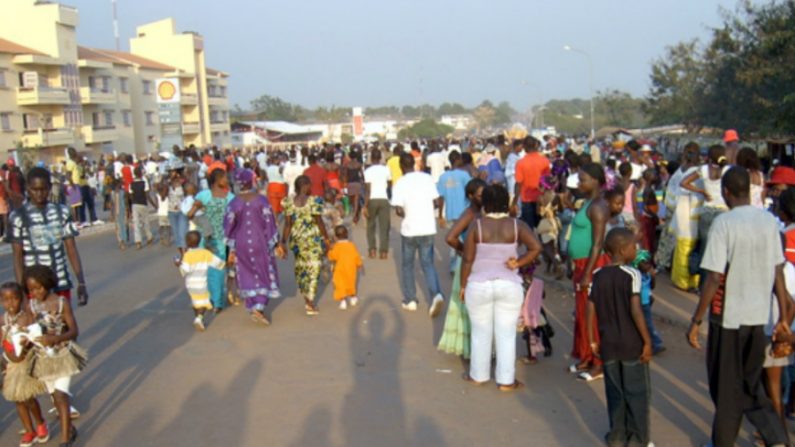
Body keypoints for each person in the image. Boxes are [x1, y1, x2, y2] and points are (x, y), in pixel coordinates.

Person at [686, 166, 791, 447]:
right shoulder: (769, 222)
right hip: (758, 318)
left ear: (726, 192)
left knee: (726, 387)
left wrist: (696, 321)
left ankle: (723, 441)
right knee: (750, 382)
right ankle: (776, 437)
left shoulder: (724, 223)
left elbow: (713, 278)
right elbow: (778, 272)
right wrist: (782, 315)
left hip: (728, 318)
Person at [460, 184, 542, 390]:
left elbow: (468, 260)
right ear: (506, 202)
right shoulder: (517, 225)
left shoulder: (476, 226)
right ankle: (506, 381)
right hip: (508, 284)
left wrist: (463, 285)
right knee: (506, 334)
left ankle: (478, 375)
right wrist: (519, 262)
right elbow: (536, 247)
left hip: (478, 285)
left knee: (480, 332)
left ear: (485, 203)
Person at [586, 227, 653, 447]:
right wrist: (647, 340)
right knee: (636, 392)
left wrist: (592, 340)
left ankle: (616, 436)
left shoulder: (597, 275)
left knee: (615, 391)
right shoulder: (631, 274)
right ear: (623, 250)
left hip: (608, 345)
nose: (636, 249)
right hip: (631, 344)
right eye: (634, 246)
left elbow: (590, 309)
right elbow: (635, 310)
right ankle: (638, 439)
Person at [6, 168, 89, 307]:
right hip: (33, 288)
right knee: (38, 328)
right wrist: (22, 291)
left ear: (50, 187)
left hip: (60, 282)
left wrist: (81, 282)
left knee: (64, 325)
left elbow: (71, 249)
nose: (39, 194)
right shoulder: (18, 217)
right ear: (27, 188)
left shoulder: (61, 212)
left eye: (43, 189)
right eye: (34, 189)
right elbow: (17, 257)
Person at [25, 265, 87, 447]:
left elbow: (74, 330)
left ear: (48, 284)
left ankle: (65, 440)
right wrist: (25, 340)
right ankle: (69, 429)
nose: (35, 292)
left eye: (38, 288)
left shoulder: (61, 303)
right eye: (30, 290)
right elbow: (30, 329)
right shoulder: (31, 305)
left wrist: (56, 338)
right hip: (43, 358)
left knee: (61, 395)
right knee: (54, 395)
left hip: (63, 354)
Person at [224, 169, 283, 325]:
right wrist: (276, 243)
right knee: (263, 271)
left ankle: (252, 306)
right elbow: (270, 223)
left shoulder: (234, 203)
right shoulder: (262, 200)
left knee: (246, 273)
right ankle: (259, 307)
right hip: (260, 242)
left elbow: (229, 227)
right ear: (252, 181)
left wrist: (231, 249)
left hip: (241, 243)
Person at [569, 163, 610, 382]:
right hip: (580, 264)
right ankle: (585, 355)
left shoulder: (598, 206)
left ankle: (598, 362)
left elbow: (598, 243)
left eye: (582, 179)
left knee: (592, 315)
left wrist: (588, 272)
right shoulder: (587, 203)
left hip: (591, 264)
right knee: (581, 312)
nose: (579, 183)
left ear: (595, 180)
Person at [391, 152, 444, 317]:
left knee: (407, 265)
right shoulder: (426, 178)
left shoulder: (400, 183)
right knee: (427, 264)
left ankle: (410, 300)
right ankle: (436, 294)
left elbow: (398, 209)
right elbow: (437, 200)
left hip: (410, 229)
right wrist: (436, 213)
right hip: (427, 227)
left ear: (401, 166)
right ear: (414, 164)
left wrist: (405, 212)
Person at [438, 178, 486, 359]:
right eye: (481, 195)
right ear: (471, 196)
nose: (484, 198)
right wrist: (464, 249)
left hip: (477, 263)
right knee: (467, 305)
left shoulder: (481, 212)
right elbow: (450, 237)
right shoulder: (470, 213)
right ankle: (470, 348)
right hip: (468, 263)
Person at [1, 281, 50, 447]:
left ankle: (41, 422)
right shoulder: (3, 320)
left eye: (14, 299)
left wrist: (25, 342)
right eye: (6, 300)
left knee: (28, 398)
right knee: (18, 399)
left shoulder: (27, 318)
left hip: (25, 363)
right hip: (10, 363)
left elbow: (35, 340)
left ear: (21, 299)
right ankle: (29, 430)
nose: (10, 303)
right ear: (1, 301)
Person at [281, 175, 330, 316]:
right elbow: (319, 222)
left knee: (301, 268)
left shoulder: (288, 202)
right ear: (306, 185)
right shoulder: (314, 201)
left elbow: (287, 225)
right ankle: (310, 301)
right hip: (313, 239)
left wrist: (283, 242)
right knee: (314, 268)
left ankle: (306, 297)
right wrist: (326, 239)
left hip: (297, 240)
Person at [188, 169, 234, 312]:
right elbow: (190, 214)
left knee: (214, 270)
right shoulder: (228, 198)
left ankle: (214, 301)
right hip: (214, 238)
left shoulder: (208, 196)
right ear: (217, 180)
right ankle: (214, 302)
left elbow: (189, 215)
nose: (227, 180)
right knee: (215, 270)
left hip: (214, 237)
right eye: (224, 177)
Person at [178, 231, 225, 331]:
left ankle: (197, 317)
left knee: (195, 301)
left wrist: (178, 264)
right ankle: (199, 318)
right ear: (199, 241)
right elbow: (219, 264)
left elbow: (184, 271)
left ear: (187, 243)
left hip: (190, 284)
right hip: (202, 283)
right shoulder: (205, 253)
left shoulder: (187, 255)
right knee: (204, 303)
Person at [437, 151, 473, 274]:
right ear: (458, 160)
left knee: (453, 239)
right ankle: (463, 264)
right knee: (466, 240)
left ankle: (454, 266)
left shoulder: (443, 177)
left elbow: (440, 197)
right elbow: (471, 191)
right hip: (465, 213)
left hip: (450, 213)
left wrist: (440, 215)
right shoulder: (464, 175)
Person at [512, 136, 551, 229]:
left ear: (524, 147)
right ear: (536, 145)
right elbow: (548, 181)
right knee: (543, 229)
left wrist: (514, 202)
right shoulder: (545, 161)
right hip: (542, 199)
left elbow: (518, 183)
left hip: (527, 200)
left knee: (529, 229)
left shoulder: (521, 163)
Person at [633, 249, 665, 355]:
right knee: (644, 323)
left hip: (643, 303)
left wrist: (652, 277)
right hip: (642, 303)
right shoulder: (642, 275)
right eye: (645, 263)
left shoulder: (642, 275)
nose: (647, 266)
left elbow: (650, 287)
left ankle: (656, 343)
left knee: (647, 323)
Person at [363, 148, 391, 259]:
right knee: (384, 227)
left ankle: (372, 250)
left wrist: (365, 205)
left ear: (371, 158)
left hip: (372, 199)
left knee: (370, 226)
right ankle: (383, 252)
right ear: (380, 158)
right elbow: (389, 184)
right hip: (384, 199)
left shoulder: (367, 171)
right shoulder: (386, 169)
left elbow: (368, 190)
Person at [328, 225, 363, 311]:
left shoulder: (337, 246)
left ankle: (343, 301)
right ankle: (353, 298)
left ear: (336, 237)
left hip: (340, 269)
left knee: (340, 284)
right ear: (347, 234)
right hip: (351, 269)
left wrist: (329, 251)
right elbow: (356, 256)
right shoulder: (351, 245)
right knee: (351, 283)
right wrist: (359, 264)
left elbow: (332, 256)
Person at [128, 166, 156, 249]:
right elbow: (147, 195)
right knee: (146, 222)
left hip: (135, 204)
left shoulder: (131, 184)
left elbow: (130, 195)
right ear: (141, 174)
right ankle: (149, 237)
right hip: (143, 203)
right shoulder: (144, 183)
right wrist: (154, 204)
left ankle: (138, 242)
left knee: (136, 223)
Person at [345, 150, 365, 224]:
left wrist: (345, 183)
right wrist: (363, 181)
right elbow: (362, 174)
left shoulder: (347, 165)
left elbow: (346, 175)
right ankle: (356, 215)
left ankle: (355, 213)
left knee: (352, 200)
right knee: (356, 200)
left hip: (349, 183)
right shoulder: (358, 164)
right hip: (357, 182)